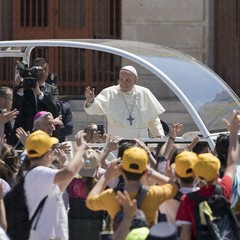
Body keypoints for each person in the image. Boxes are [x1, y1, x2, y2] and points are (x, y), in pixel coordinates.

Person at [176, 110, 240, 240]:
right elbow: (232, 162)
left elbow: (185, 235)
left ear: (195, 175)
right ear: (217, 173)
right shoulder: (224, 189)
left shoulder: (187, 200)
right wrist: (233, 133)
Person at [86, 146, 179, 229]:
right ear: (145, 171)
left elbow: (90, 201)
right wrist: (151, 172)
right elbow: (174, 187)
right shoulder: (154, 193)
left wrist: (106, 176)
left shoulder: (111, 195)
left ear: (122, 169)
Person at [23, 129, 87, 239]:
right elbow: (68, 173)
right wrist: (80, 149)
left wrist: (79, 160)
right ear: (48, 153)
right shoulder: (38, 172)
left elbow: (65, 181)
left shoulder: (37, 175)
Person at [84, 65, 166, 139]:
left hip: (140, 139)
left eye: (127, 80)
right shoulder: (109, 92)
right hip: (116, 139)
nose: (123, 83)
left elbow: (153, 119)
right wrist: (91, 101)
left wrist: (159, 134)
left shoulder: (144, 92)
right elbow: (95, 110)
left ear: (136, 80)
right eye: (121, 79)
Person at [12, 58, 60, 143]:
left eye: (45, 69)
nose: (42, 73)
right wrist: (20, 90)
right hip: (23, 136)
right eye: (39, 69)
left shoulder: (52, 89)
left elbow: (55, 110)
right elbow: (15, 111)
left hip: (45, 136)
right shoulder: (24, 87)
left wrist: (40, 94)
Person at [67, 149, 105, 240]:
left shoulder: (72, 183)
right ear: (97, 168)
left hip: (75, 230)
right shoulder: (101, 186)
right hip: (96, 231)